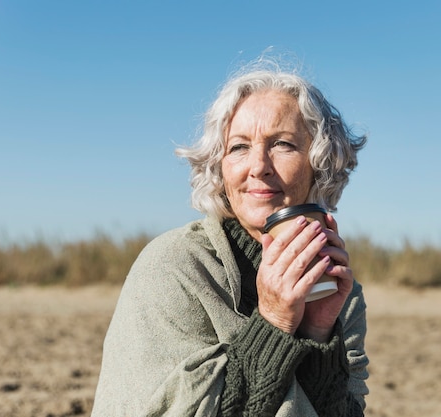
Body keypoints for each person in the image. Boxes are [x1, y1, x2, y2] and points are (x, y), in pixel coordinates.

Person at [91, 59, 369, 416]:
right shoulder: (176, 267)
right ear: (219, 168)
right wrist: (274, 321)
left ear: (321, 164)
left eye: (282, 144)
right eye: (239, 147)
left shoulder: (341, 293)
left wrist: (317, 332)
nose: (259, 166)